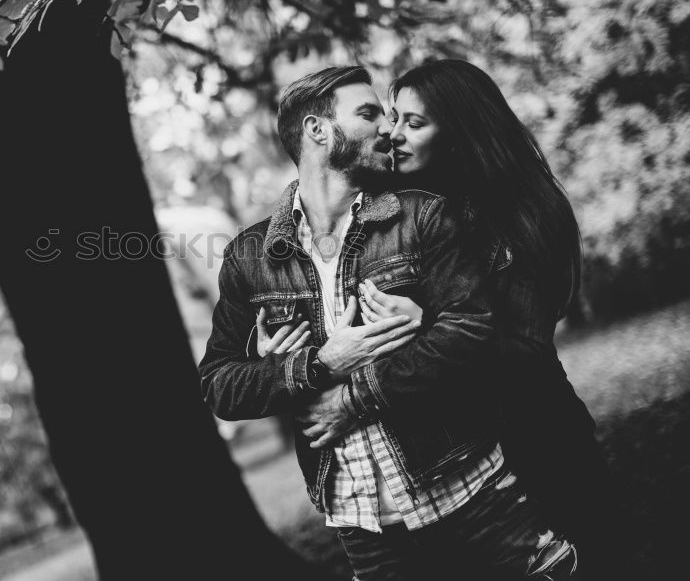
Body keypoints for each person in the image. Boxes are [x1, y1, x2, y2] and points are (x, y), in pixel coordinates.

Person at [199, 65, 579, 580]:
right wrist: (312, 365)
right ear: (317, 131)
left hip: (469, 489)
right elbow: (220, 386)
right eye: (371, 113)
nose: (388, 129)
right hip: (363, 528)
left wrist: (352, 396)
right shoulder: (251, 256)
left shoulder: (422, 217)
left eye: (400, 119)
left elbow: (469, 330)